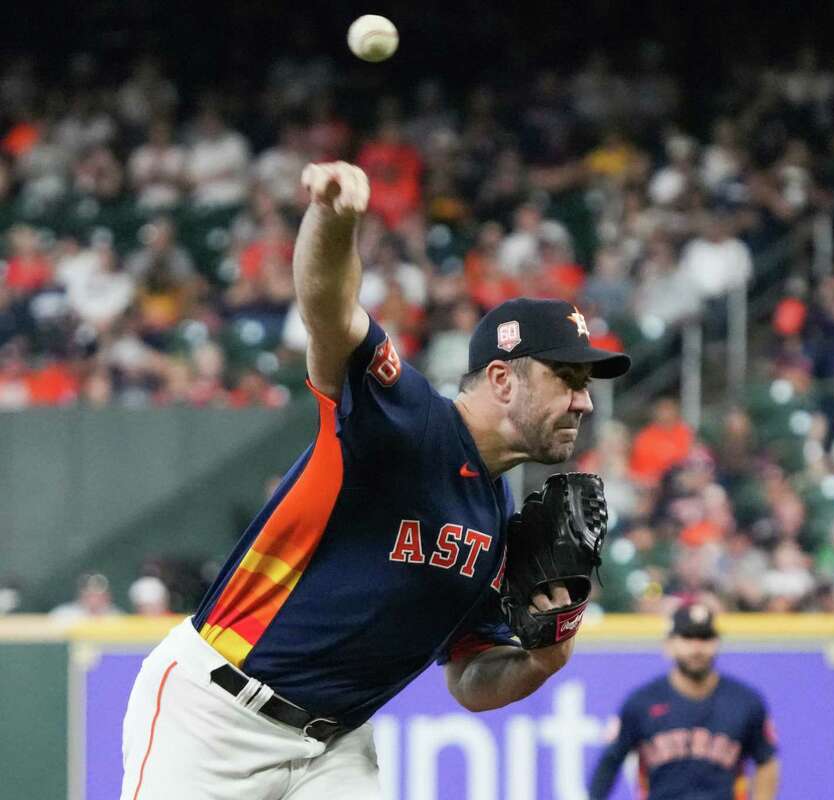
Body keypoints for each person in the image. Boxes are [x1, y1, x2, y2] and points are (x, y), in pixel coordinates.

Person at [120, 160, 630, 800]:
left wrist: (541, 660)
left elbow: (470, 678)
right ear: (502, 379)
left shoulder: (500, 517)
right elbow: (330, 312)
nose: (584, 403)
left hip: (337, 746)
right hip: (217, 714)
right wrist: (332, 220)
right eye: (569, 380)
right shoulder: (406, 421)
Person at [588, 602, 781, 799]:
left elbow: (766, 761)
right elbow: (611, 761)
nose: (697, 647)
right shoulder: (641, 702)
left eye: (705, 637)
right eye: (687, 637)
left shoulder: (745, 701)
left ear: (717, 643)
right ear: (669, 645)